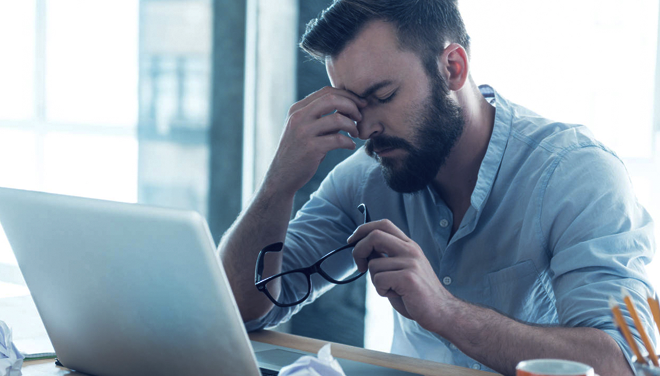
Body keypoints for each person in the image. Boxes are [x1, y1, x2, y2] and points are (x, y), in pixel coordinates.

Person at [218, 1, 656, 375]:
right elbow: (240, 309)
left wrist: (446, 312)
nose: (365, 128)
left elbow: (629, 362)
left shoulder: (579, 175)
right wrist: (279, 183)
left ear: (453, 67)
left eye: (383, 95)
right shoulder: (366, 176)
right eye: (352, 104)